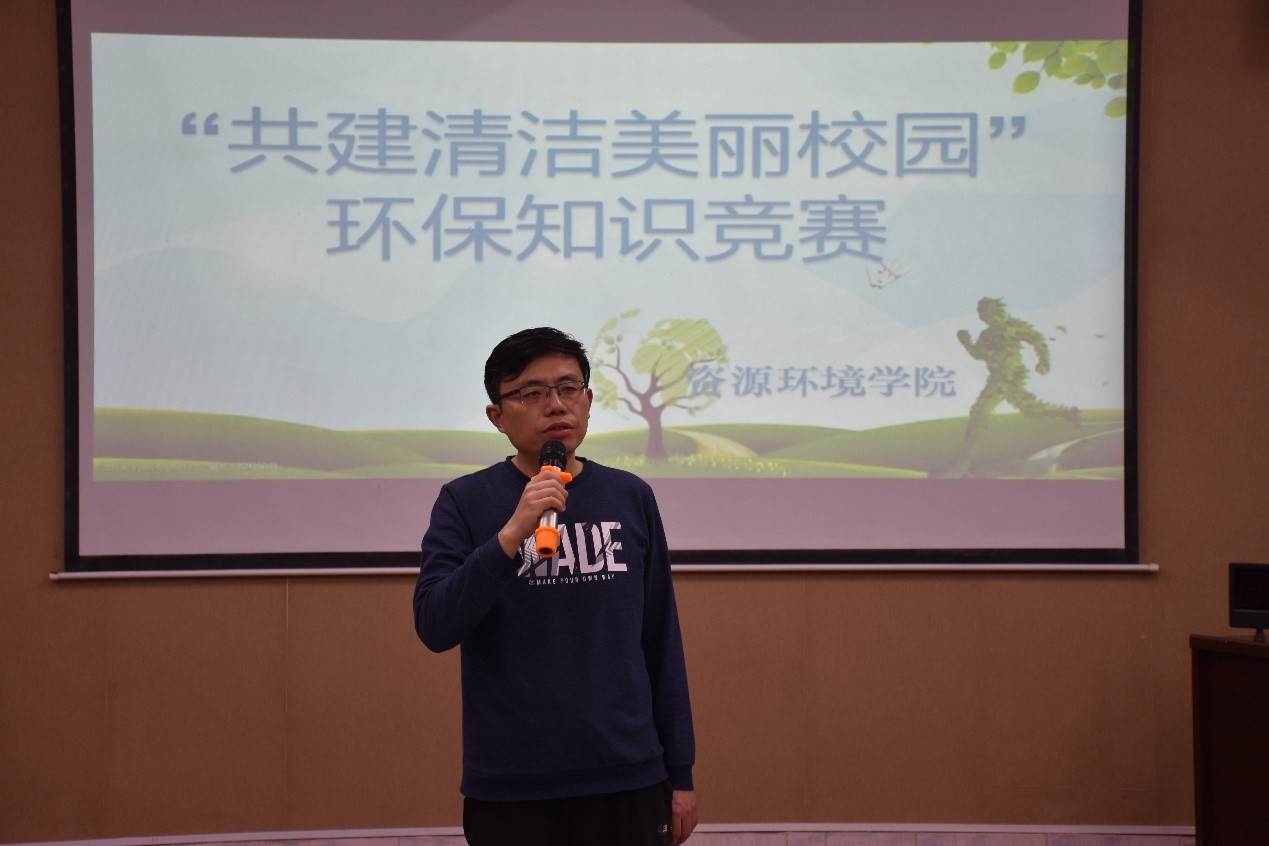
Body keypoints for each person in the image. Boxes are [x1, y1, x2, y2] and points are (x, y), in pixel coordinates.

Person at [413, 327, 698, 846]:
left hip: (627, 776)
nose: (556, 404)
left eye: (569, 388)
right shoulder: (464, 501)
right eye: (532, 392)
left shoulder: (630, 496)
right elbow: (435, 624)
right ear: (497, 416)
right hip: (512, 786)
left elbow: (661, 639)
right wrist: (511, 534)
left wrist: (680, 774)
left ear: (588, 401)